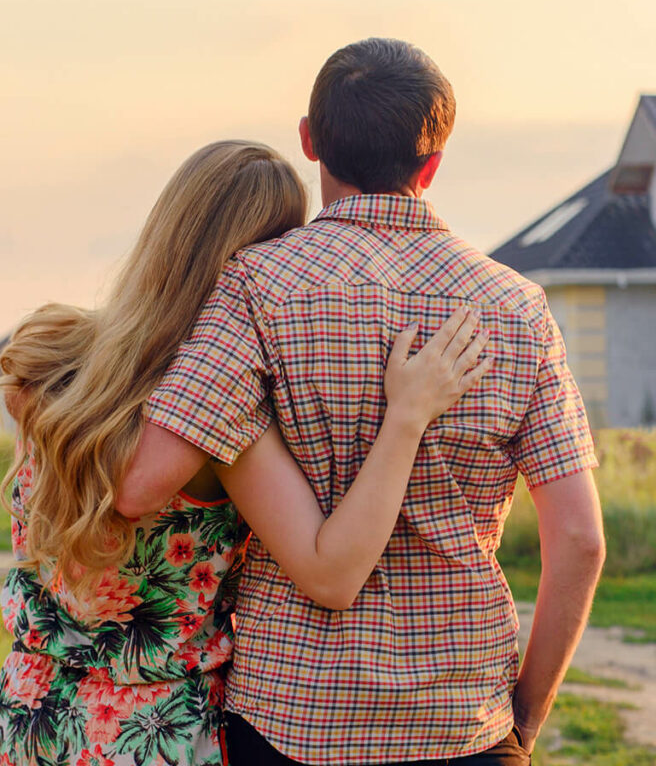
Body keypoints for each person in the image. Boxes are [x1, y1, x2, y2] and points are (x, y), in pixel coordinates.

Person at [118, 39, 607, 766]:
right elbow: (579, 541)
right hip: (463, 720)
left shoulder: (258, 285)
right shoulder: (518, 308)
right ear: (433, 162)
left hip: (292, 719)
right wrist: (523, 722)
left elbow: (149, 478)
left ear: (310, 139)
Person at [0, 140, 490, 766]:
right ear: (255, 260)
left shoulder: (49, 359)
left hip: (34, 714)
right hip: (155, 736)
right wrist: (406, 417)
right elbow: (329, 571)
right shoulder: (222, 425)